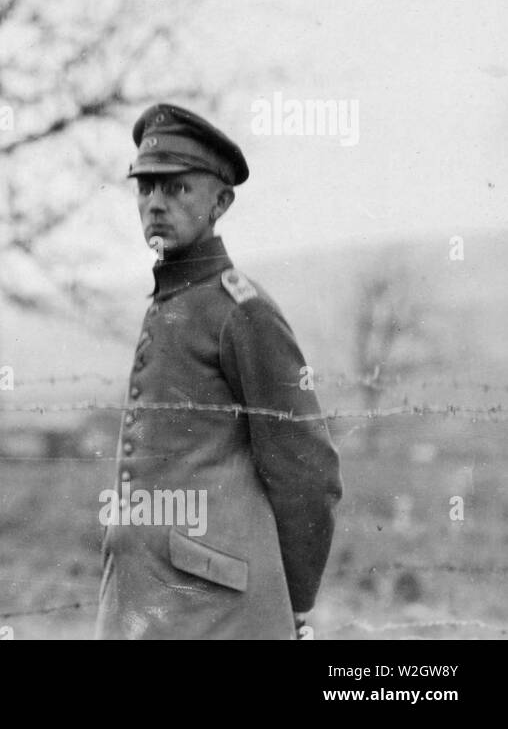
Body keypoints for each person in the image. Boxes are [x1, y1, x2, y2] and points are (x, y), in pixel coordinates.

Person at [95, 103, 343, 640]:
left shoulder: (241, 311)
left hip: (215, 615)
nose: (156, 204)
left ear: (220, 201)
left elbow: (307, 469)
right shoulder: (170, 300)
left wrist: (291, 606)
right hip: (145, 601)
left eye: (177, 188)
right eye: (145, 189)